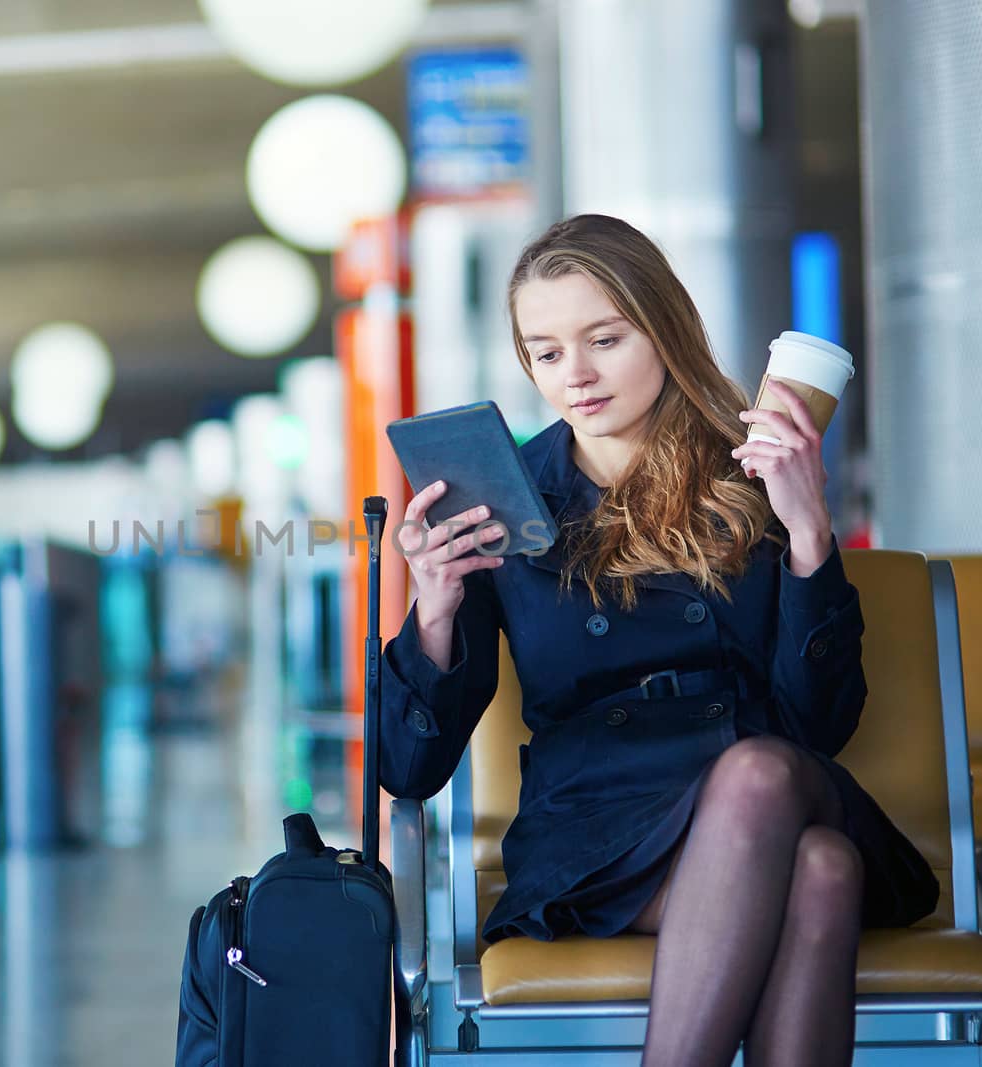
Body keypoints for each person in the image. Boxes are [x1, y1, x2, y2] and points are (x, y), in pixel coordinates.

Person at [377, 214, 938, 1067]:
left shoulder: (751, 471)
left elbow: (820, 724)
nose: (579, 376)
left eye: (605, 338)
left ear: (664, 328)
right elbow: (408, 770)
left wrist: (811, 530)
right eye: (548, 351)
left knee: (759, 775)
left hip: (769, 782)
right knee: (821, 873)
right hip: (596, 830)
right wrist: (436, 608)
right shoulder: (506, 499)